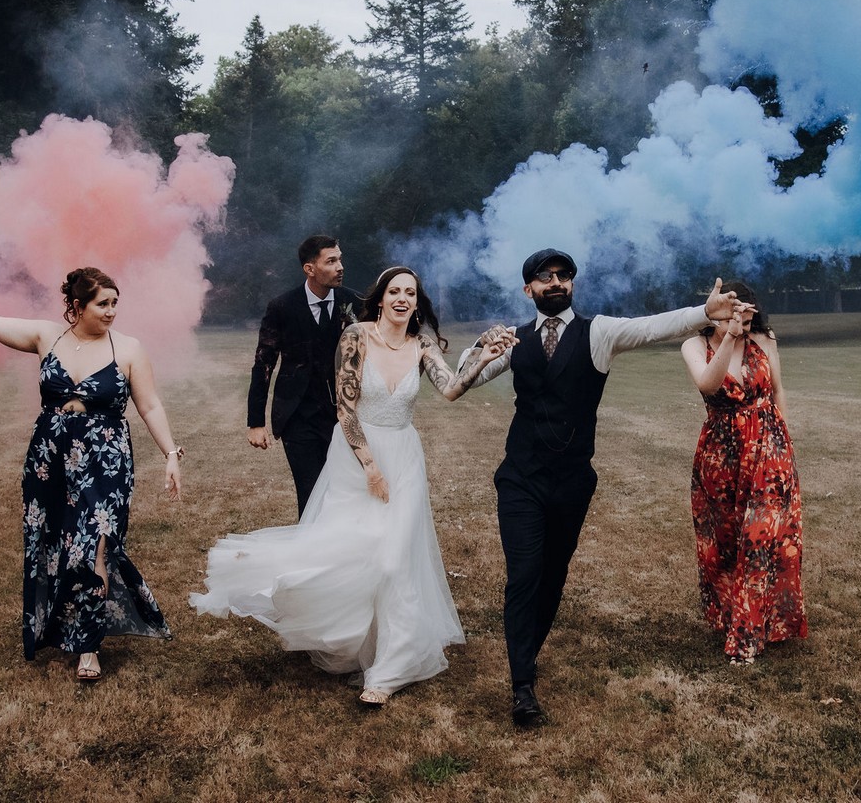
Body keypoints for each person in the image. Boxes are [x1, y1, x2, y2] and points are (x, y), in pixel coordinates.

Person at [192, 266, 508, 706]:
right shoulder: (357, 336)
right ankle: (297, 599)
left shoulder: (423, 344)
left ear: (418, 303)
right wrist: (371, 468)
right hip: (357, 456)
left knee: (396, 559)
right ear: (380, 298)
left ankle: (389, 669)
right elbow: (345, 407)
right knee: (348, 549)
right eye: (394, 291)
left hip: (405, 457)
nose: (402, 299)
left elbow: (451, 389)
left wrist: (483, 358)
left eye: (410, 294)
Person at [462, 249, 746, 726]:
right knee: (524, 574)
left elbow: (653, 325)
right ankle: (522, 686)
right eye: (544, 277)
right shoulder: (514, 340)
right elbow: (466, 379)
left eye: (563, 276)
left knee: (552, 575)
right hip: (520, 478)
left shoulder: (600, 332)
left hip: (572, 480)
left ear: (572, 285)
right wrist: (480, 345)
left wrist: (704, 313)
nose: (555, 283)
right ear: (527, 289)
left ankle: (527, 657)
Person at [0, 261, 180, 680]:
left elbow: (149, 405)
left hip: (104, 458)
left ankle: (88, 646)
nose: (112, 311)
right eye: (103, 304)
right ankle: (58, 624)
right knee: (52, 544)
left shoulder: (129, 349)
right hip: (50, 458)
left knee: (92, 544)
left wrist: (170, 452)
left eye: (116, 303)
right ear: (77, 306)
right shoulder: (47, 336)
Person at [680, 282, 806, 664]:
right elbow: (708, 383)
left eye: (748, 314)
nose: (743, 321)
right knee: (725, 543)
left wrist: (783, 439)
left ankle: (747, 638)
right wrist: (729, 339)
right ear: (714, 311)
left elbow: (778, 389)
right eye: (734, 314)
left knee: (760, 538)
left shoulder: (765, 341)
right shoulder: (694, 345)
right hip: (721, 455)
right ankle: (738, 616)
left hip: (769, 448)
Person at [247, 234, 363, 516]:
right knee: (311, 496)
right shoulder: (282, 307)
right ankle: (313, 556)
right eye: (331, 261)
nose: (340, 267)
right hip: (298, 417)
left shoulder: (355, 303)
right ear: (309, 269)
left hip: (345, 414)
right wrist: (255, 422)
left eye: (340, 259)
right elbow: (264, 363)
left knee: (346, 492)